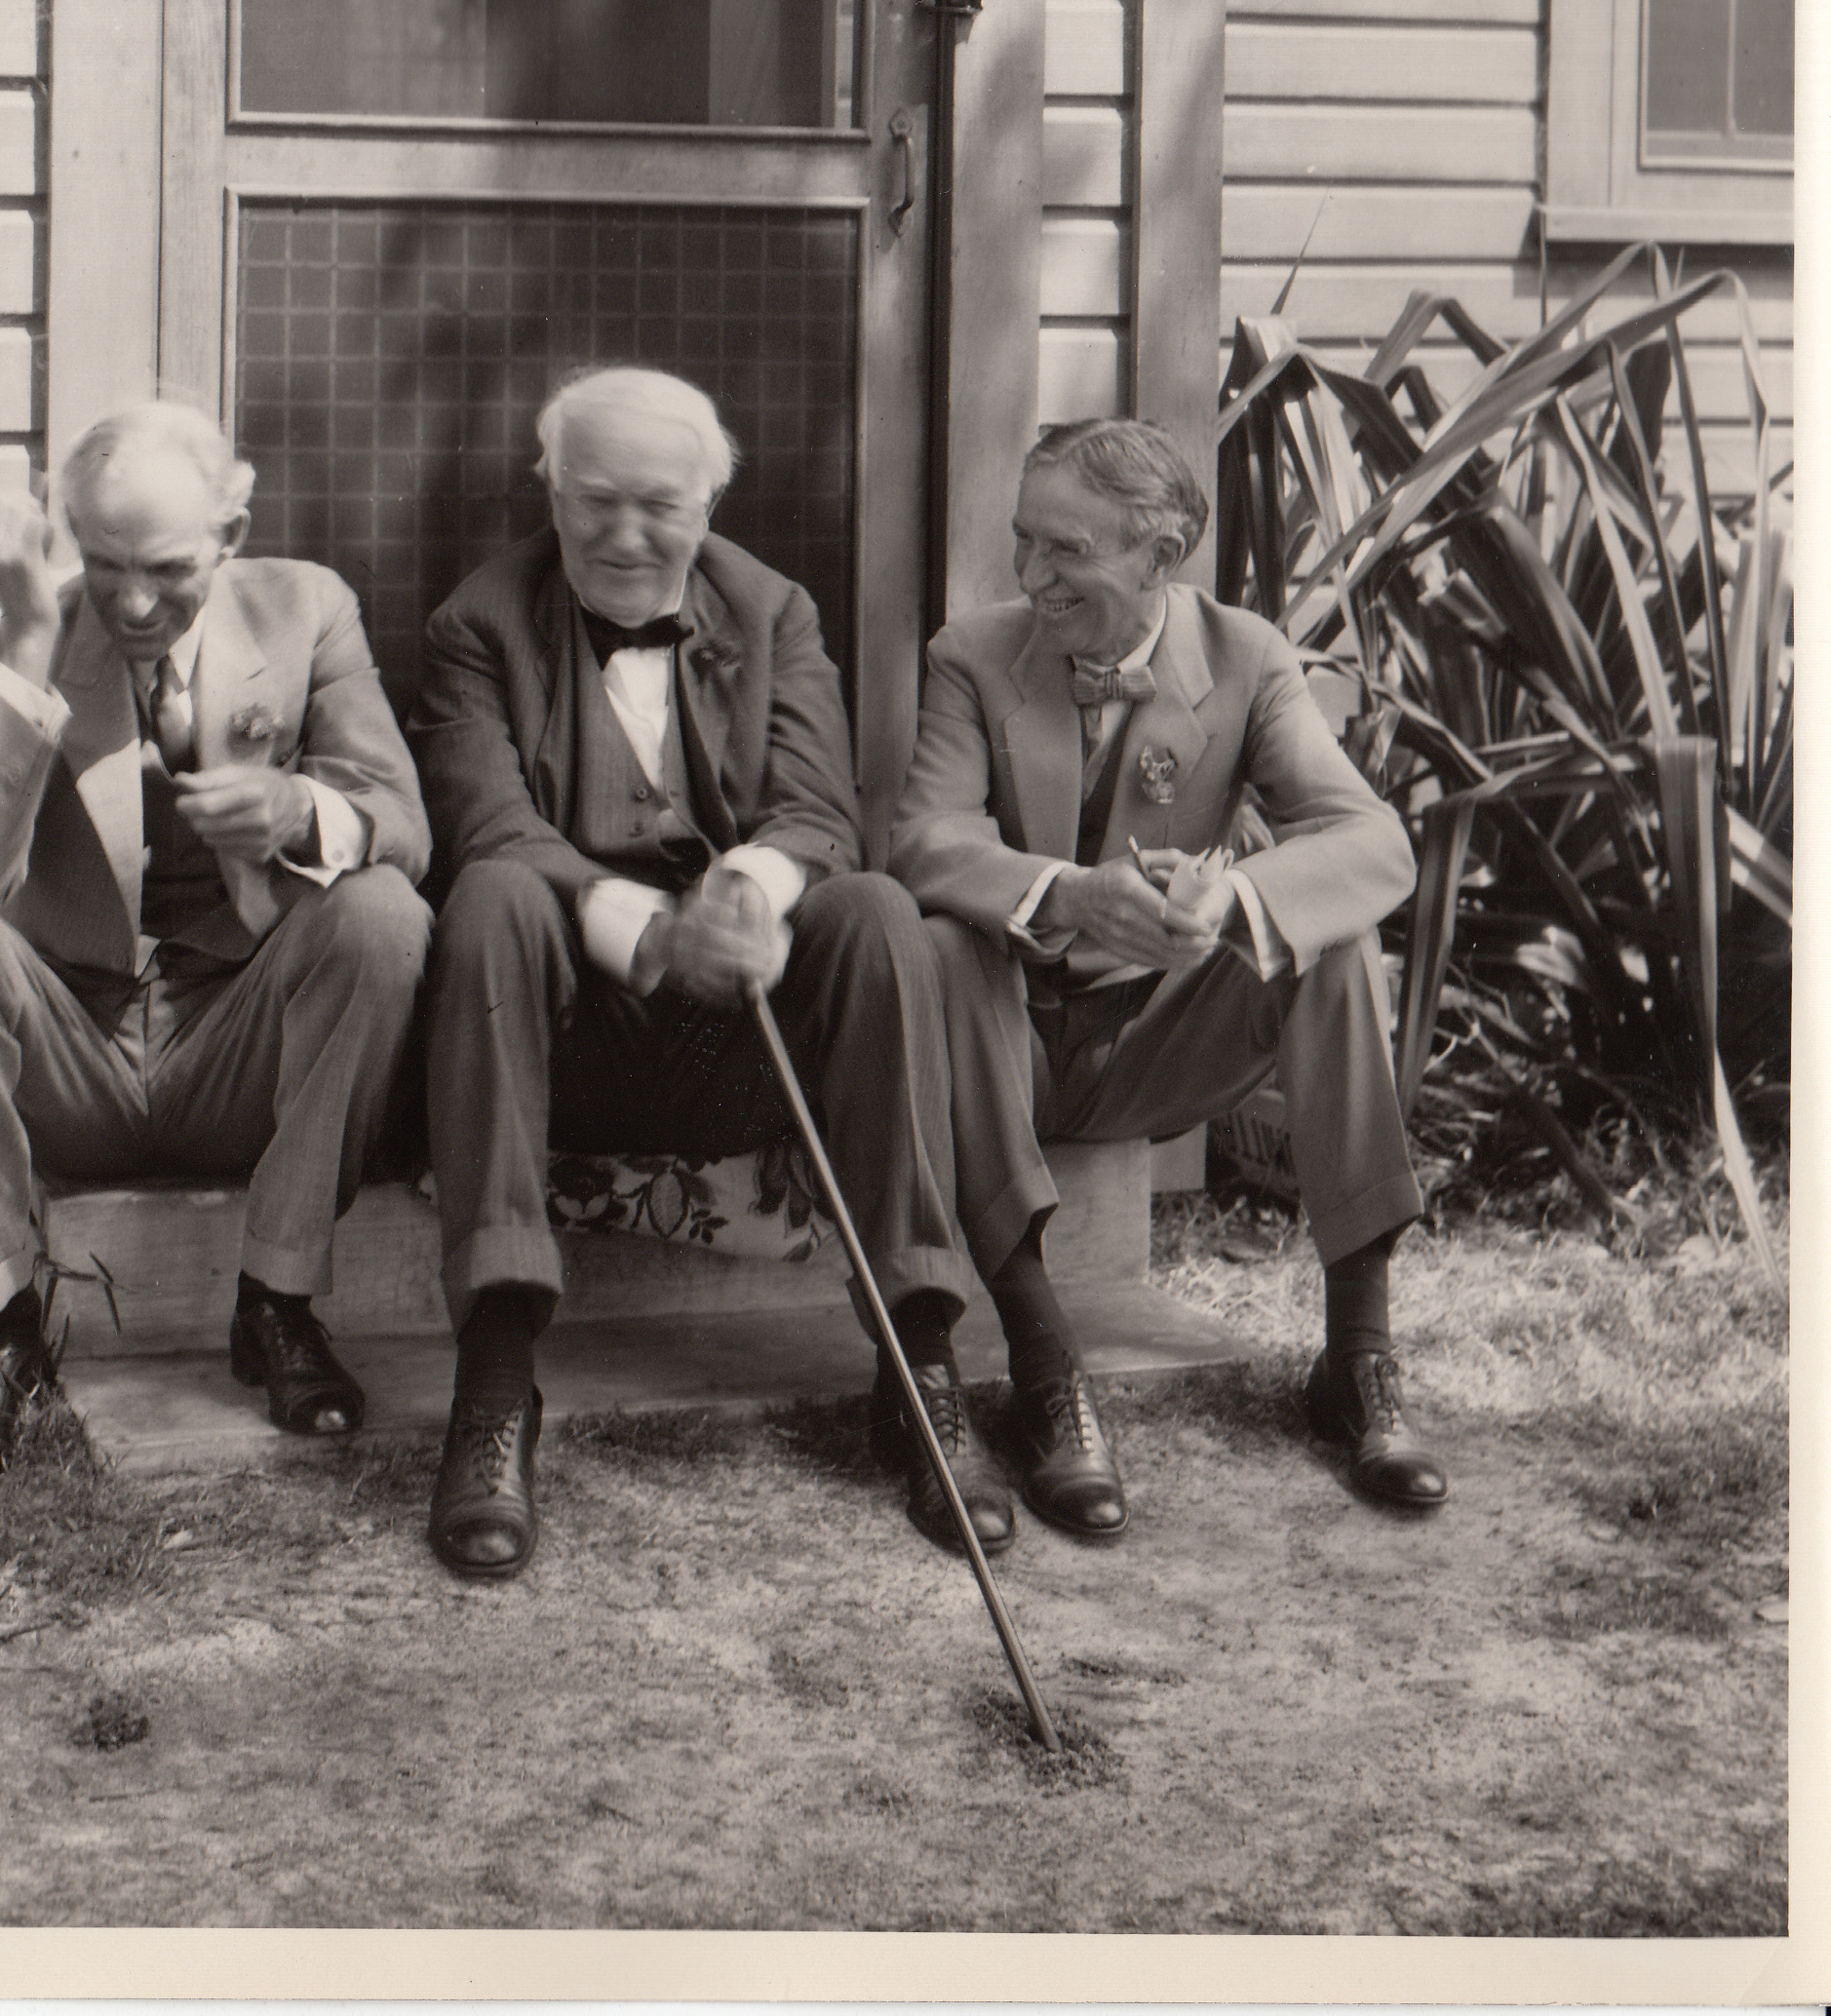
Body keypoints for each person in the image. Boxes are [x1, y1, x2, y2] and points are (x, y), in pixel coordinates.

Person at [409, 366, 995, 1582]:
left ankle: (917, 1365)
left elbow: (816, 813)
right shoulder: (477, 623)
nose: (626, 534)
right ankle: (496, 1384)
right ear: (549, 492)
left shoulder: (773, 608)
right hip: (569, 1042)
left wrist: (750, 896)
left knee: (878, 912)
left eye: (659, 506)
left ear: (709, 503)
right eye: (595, 500)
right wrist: (647, 927)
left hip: (743, 1042)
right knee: (490, 898)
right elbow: (490, 827)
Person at [0, 400, 432, 1493]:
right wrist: (29, 642)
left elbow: (399, 823)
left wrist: (297, 810)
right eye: (104, 561)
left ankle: (276, 1304)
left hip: (239, 1046)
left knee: (382, 915)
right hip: (71, 1048)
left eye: (167, 567)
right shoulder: (9, 628)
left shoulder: (306, 610)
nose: (130, 600)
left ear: (231, 528)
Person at [891, 416, 1447, 1535]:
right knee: (944, 936)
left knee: (1328, 936)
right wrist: (1061, 891)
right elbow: (920, 841)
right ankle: (1047, 1367)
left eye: (1067, 551)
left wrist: (1231, 898)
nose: (1033, 576)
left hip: (1152, 1040)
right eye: (1022, 543)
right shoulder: (969, 654)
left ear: (1161, 554)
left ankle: (1355, 1356)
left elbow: (1372, 841)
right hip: (1002, 1050)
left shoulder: (1243, 657)